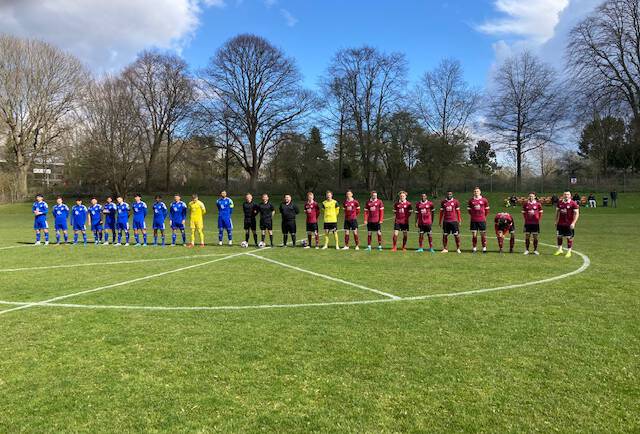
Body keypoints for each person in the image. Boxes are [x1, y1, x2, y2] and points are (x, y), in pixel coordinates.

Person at [555, 191, 580, 258]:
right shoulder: (560, 203)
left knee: (569, 238)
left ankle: (569, 251)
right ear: (563, 195)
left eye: (568, 194)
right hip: (560, 223)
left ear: (570, 195)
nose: (566, 195)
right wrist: (556, 221)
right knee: (559, 236)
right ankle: (560, 249)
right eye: (565, 194)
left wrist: (573, 223)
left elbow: (577, 214)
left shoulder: (573, 203)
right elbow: (557, 212)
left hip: (569, 224)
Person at [467, 187, 490, 253]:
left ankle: (484, 248)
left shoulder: (484, 200)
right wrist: (473, 215)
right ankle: (474, 248)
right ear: (473, 192)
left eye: (477, 191)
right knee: (474, 235)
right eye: (475, 191)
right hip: (473, 220)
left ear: (480, 192)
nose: (476, 192)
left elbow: (487, 210)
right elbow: (469, 210)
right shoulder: (471, 200)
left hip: (482, 220)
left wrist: (483, 216)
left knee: (483, 234)